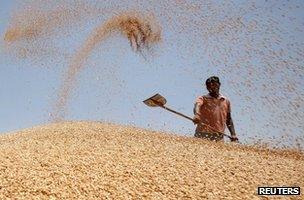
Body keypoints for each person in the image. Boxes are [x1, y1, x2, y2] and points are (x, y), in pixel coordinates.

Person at [193, 76, 238, 142]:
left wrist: (233, 134)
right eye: (209, 86)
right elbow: (197, 106)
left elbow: (228, 119)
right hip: (202, 133)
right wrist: (197, 114)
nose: (212, 87)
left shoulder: (225, 101)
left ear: (219, 85)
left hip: (219, 136)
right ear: (207, 88)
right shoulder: (203, 98)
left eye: (214, 85)